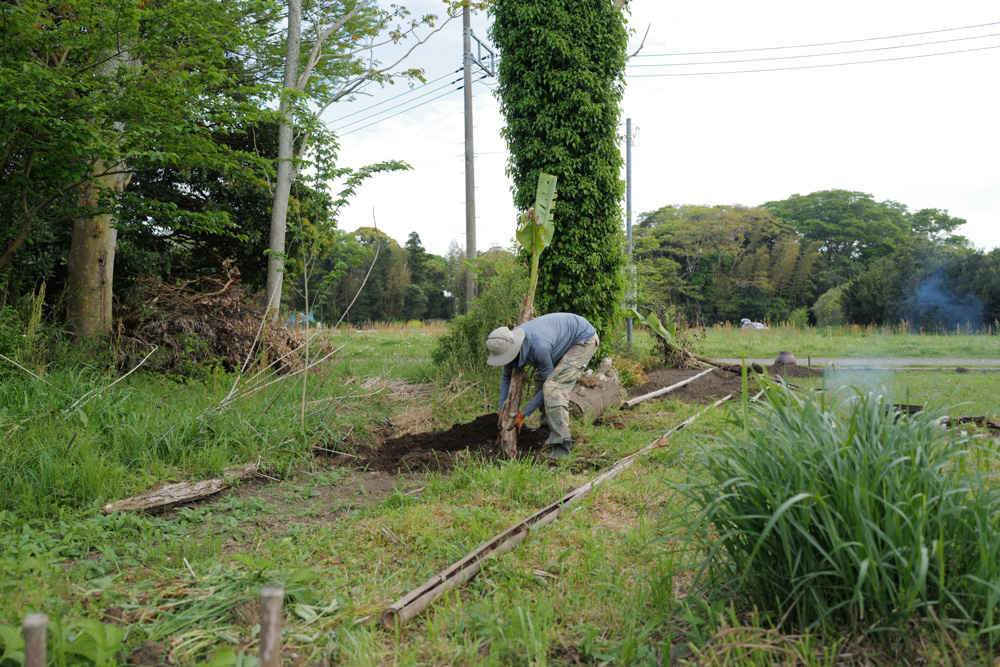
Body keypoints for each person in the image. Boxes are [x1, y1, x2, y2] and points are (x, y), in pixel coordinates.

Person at [487, 312, 599, 460]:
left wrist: (523, 414)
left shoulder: (539, 347)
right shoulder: (508, 343)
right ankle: (547, 428)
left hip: (583, 340)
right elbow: (506, 377)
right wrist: (502, 410)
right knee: (540, 377)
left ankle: (562, 444)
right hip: (561, 339)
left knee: (554, 387)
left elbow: (549, 384)